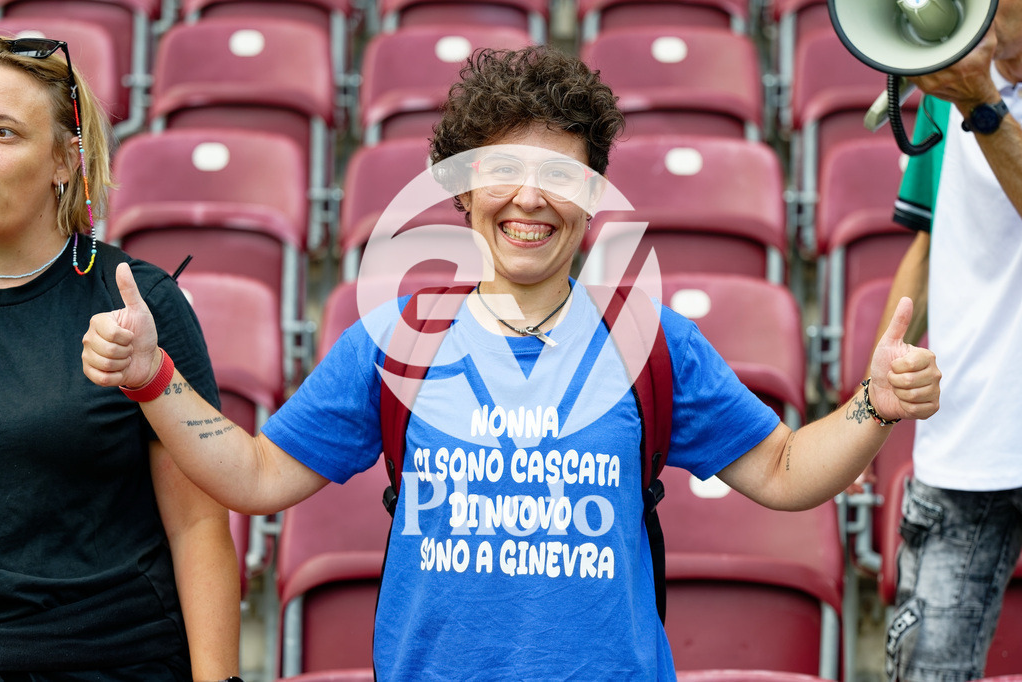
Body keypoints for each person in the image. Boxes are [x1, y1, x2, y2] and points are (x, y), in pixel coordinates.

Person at [82, 46, 940, 680]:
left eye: (558, 175)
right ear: (461, 192)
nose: (529, 198)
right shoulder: (393, 340)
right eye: (502, 170)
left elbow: (786, 471)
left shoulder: (652, 343)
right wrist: (155, 377)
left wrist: (876, 401)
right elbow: (257, 475)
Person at [0, 36, 241, 680]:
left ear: (64, 161)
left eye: (3, 132)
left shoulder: (135, 301)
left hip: (108, 659)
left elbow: (199, 529)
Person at [869, 1, 1022, 680]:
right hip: (966, 444)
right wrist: (869, 409)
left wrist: (985, 106)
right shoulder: (949, 84)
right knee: (925, 669)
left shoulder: (972, 93)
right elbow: (931, 242)